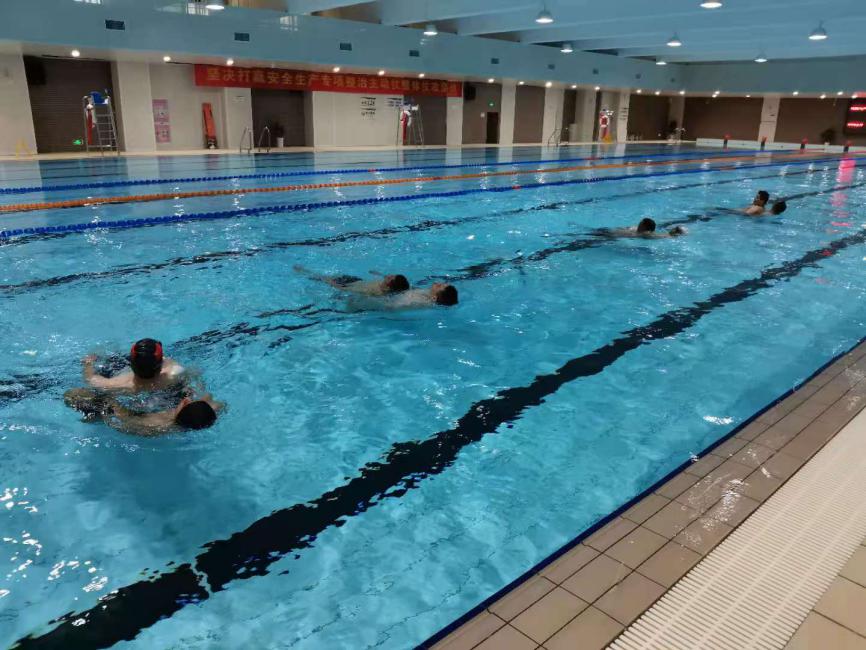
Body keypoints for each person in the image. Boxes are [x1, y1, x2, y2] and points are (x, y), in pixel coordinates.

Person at [64, 387, 221, 437]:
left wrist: (111, 395)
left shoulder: (154, 425)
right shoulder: (211, 410)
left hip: (118, 416)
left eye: (187, 403)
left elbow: (120, 417)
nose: (187, 400)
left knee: (71, 396)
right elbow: (212, 400)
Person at [82, 338, 185, 393]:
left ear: (131, 363)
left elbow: (90, 379)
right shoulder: (174, 373)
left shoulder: (120, 385)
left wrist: (88, 363)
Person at [294, 265, 410, 296]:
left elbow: (344, 289)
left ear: (389, 284)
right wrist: (376, 273)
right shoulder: (389, 285)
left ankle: (305, 272)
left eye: (390, 277)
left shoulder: (374, 292)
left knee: (320, 277)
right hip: (356, 280)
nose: (389, 275)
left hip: (347, 284)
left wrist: (329, 282)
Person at [348, 282, 459, 311]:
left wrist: (368, 297)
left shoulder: (417, 303)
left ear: (434, 298)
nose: (436, 283)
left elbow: (390, 307)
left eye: (439, 286)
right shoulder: (427, 293)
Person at [602, 218, 687, 239]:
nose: (639, 223)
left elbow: (664, 236)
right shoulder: (635, 228)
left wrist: (675, 232)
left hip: (610, 236)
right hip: (610, 233)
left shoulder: (646, 233)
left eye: (641, 223)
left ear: (644, 226)